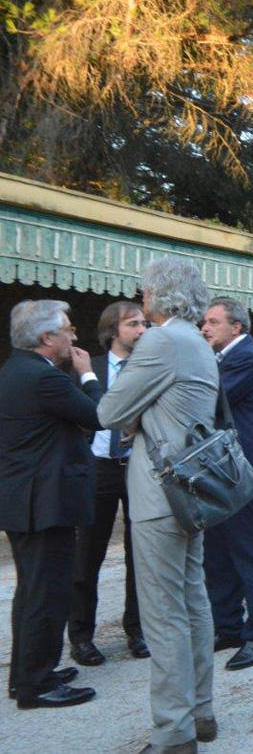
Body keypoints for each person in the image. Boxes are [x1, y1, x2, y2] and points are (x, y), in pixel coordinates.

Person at [97, 257, 220, 750]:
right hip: (191, 490)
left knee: (165, 613)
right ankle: (201, 713)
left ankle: (173, 731)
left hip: (159, 493)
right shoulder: (198, 342)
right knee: (193, 602)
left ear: (159, 294)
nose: (141, 298)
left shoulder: (161, 341)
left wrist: (137, 413)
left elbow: (110, 411)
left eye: (144, 290)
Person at [1, 300, 102, 710]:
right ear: (47, 337)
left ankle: (25, 674)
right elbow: (98, 415)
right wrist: (88, 374)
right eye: (68, 330)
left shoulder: (16, 369)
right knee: (47, 594)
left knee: (31, 591)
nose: (73, 336)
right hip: (45, 501)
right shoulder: (45, 377)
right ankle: (37, 684)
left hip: (26, 498)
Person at [69, 301, 149, 668]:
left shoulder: (149, 368)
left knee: (141, 554)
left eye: (144, 323)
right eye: (133, 324)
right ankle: (81, 636)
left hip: (138, 467)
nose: (141, 330)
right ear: (112, 331)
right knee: (87, 556)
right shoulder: (88, 370)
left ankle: (137, 630)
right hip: (98, 468)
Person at [200, 297, 253, 672]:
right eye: (204, 321)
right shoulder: (225, 357)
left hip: (239, 473)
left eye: (213, 322)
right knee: (217, 554)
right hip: (221, 472)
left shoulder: (247, 356)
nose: (204, 328)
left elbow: (207, 402)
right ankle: (228, 627)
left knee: (252, 554)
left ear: (237, 327)